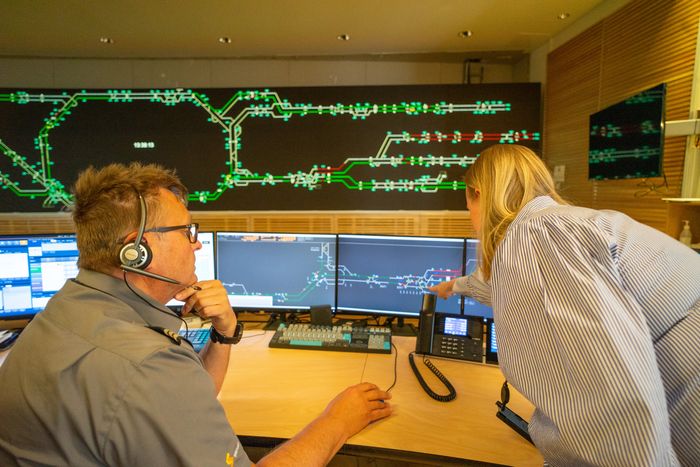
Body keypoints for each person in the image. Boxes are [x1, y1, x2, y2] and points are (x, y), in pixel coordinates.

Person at [0, 163, 392, 466]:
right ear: (138, 249)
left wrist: (224, 334)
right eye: (186, 231)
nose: (198, 244)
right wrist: (337, 420)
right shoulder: (145, 364)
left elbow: (181, 401)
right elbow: (151, 385)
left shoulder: (63, 312)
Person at [430, 144, 700, 466]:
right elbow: (501, 286)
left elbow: (610, 408)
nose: (473, 221)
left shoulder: (537, 236)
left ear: (479, 194)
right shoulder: (559, 225)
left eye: (468, 207)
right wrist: (454, 286)